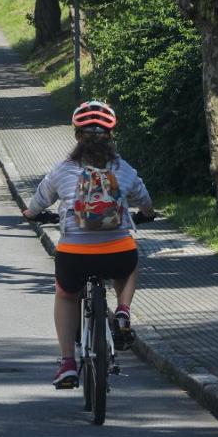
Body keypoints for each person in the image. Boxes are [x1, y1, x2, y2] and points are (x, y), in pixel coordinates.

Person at [22, 100, 154, 388]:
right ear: (110, 136)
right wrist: (147, 215)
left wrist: (31, 214)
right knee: (129, 268)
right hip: (116, 252)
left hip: (74, 255)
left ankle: (68, 363)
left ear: (77, 136)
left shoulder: (63, 170)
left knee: (66, 295)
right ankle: (122, 310)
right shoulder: (124, 169)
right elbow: (144, 200)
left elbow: (39, 200)